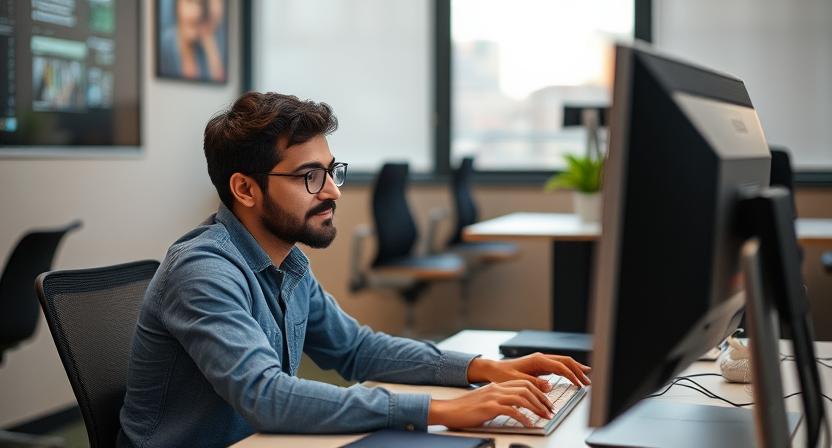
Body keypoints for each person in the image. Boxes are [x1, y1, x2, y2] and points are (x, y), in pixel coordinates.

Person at [117, 92, 591, 447]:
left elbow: (357, 349)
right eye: (310, 177)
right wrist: (441, 410)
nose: (332, 192)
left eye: (330, 170)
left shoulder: (289, 262)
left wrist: (482, 368)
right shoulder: (204, 272)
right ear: (245, 189)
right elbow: (266, 396)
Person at [159, 0, 226, 82]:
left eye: (200, 4)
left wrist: (210, 48)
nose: (196, 12)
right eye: (189, 2)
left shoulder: (205, 46)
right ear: (176, 7)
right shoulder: (164, 47)